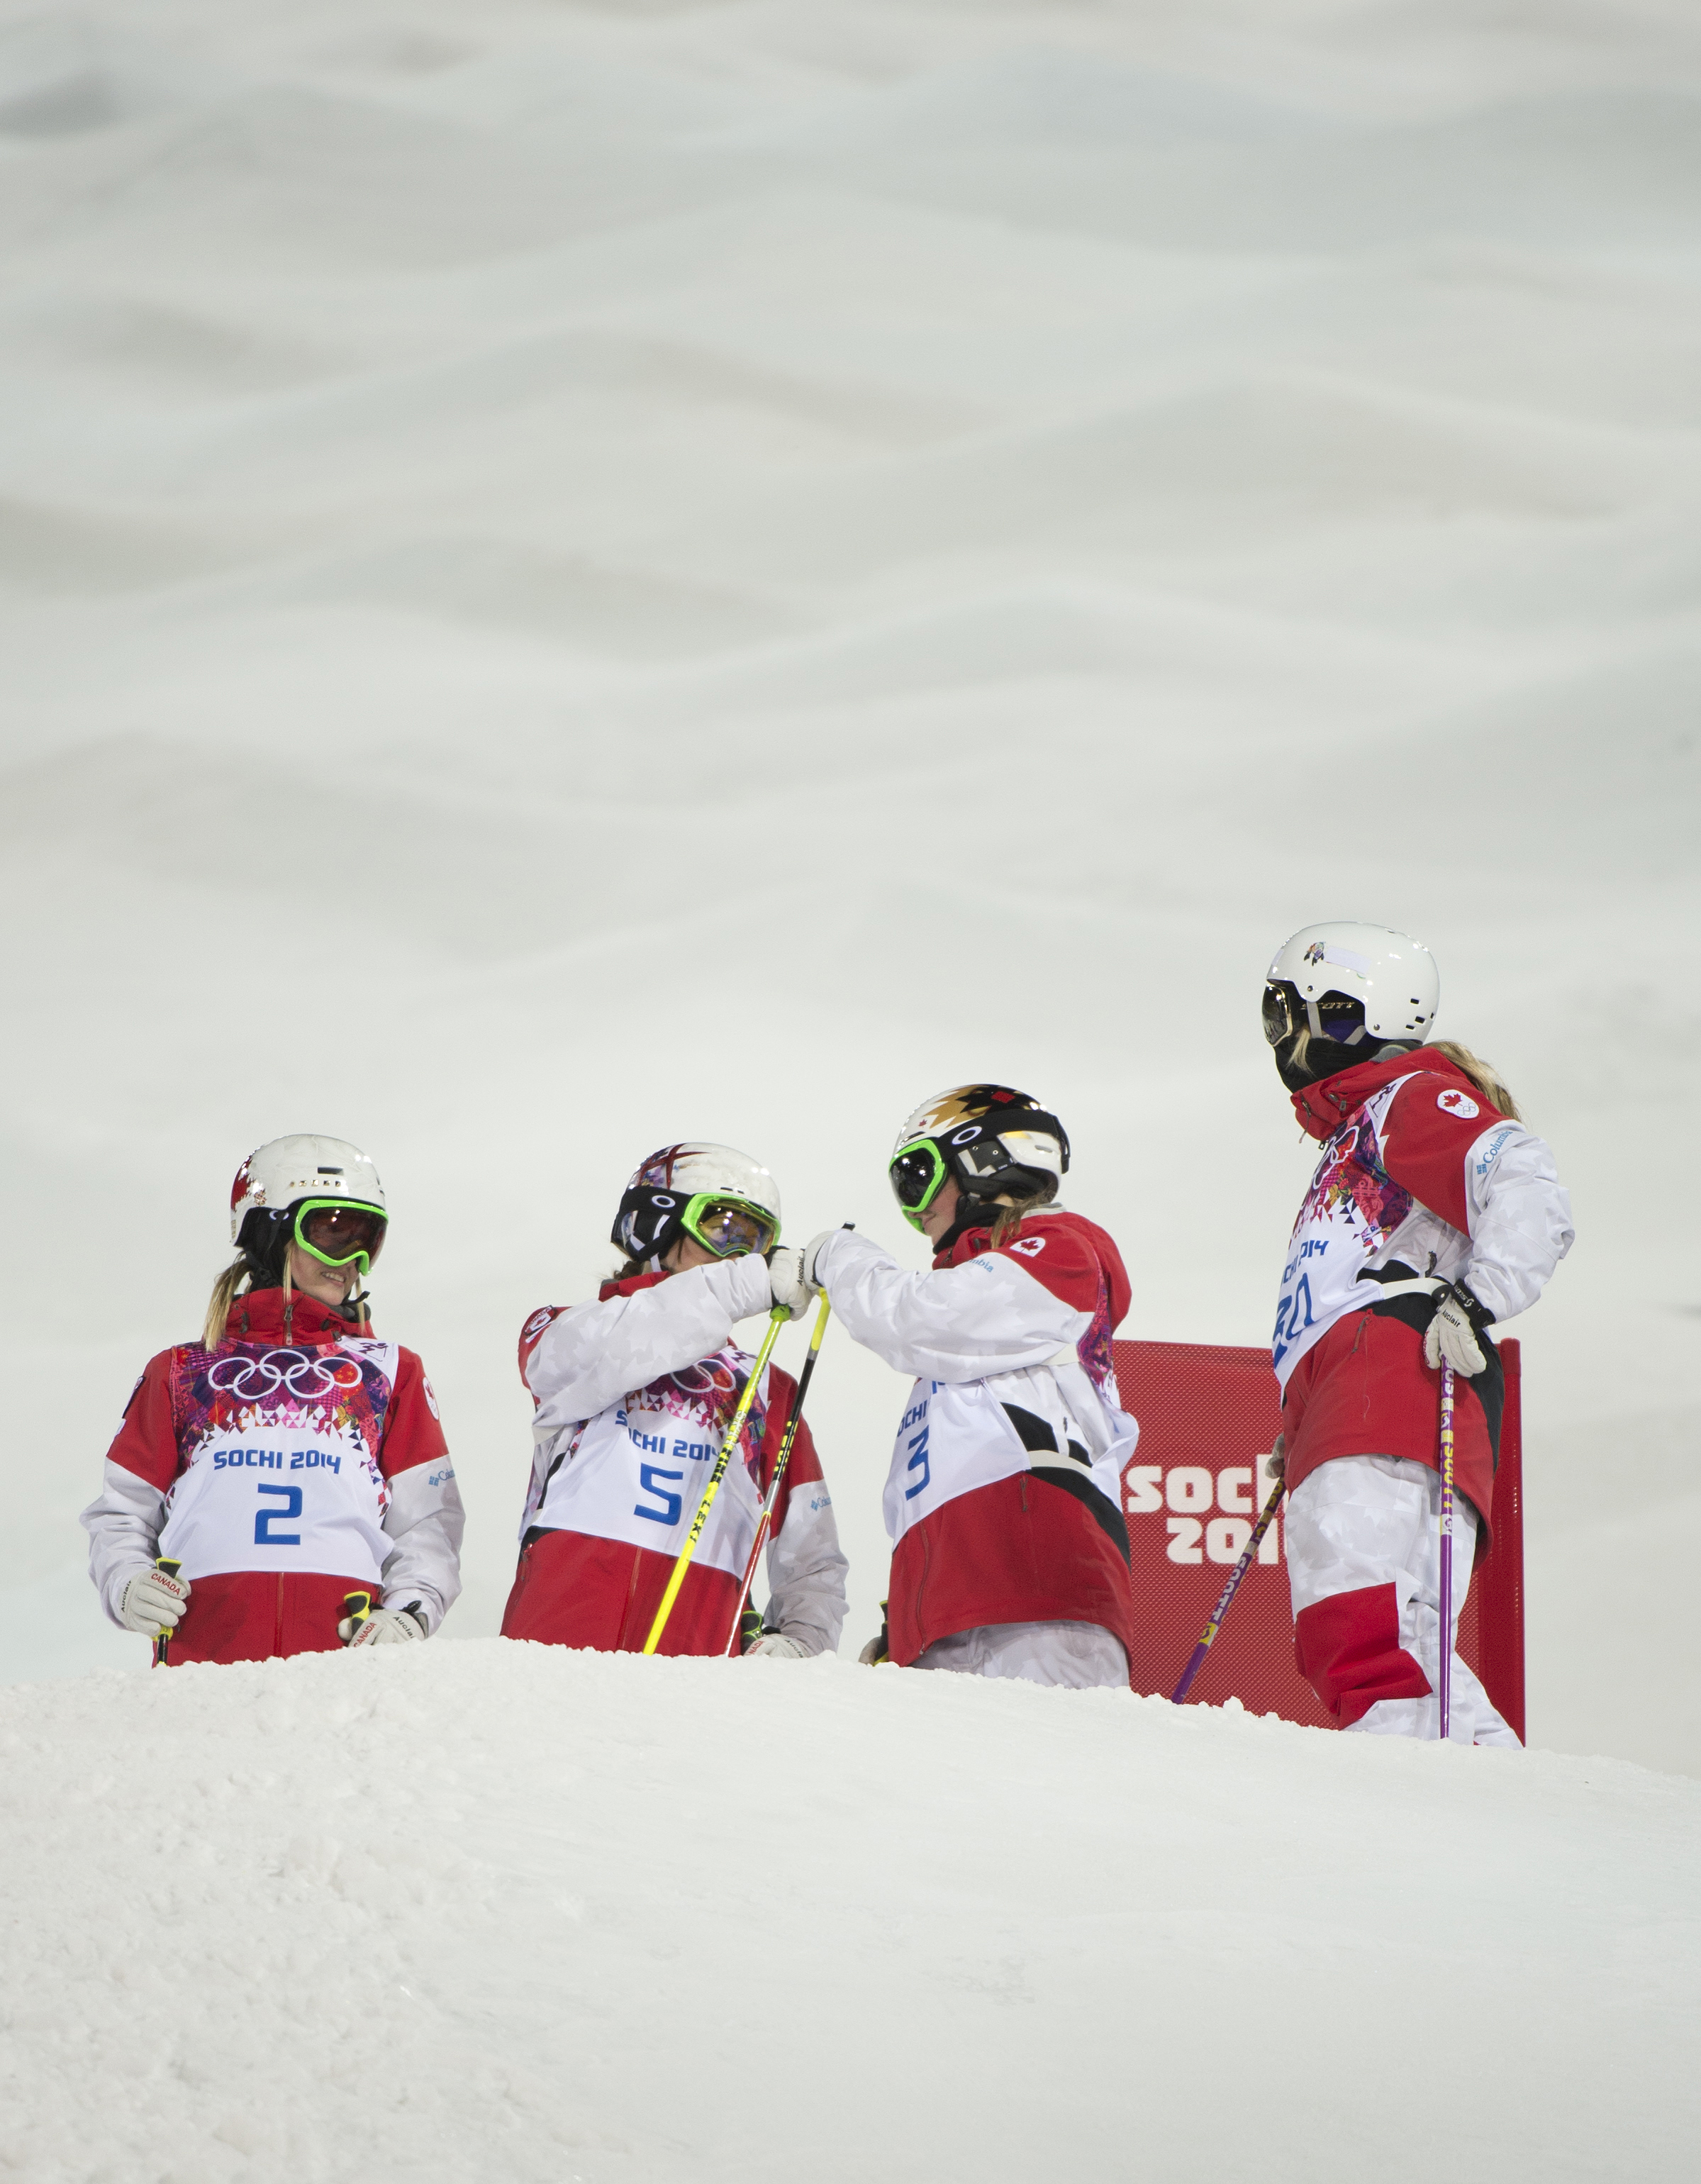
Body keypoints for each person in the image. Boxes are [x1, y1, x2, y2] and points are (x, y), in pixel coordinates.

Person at [1261, 921, 1573, 1742]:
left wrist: (1480, 1296)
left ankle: (1429, 1794)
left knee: (1364, 1626)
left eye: (1305, 1014)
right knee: (1379, 1630)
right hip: (1361, 1385)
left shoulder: (1408, 1097)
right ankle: (1481, 1790)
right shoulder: (1361, 1126)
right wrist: (1303, 1419)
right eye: (1276, 1015)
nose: (1286, 1037)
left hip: (1394, 1375)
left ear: (1363, 1015)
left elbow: (1522, 1178)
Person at [769, 1085, 1138, 1689]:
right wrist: (909, 1616)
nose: (915, 1213)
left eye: (917, 1179)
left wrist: (837, 1254)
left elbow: (915, 1316)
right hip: (960, 1612)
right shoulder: (971, 1349)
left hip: (1036, 1599)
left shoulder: (1060, 1250)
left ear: (982, 1161)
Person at [81, 1134, 464, 1665]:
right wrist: (125, 1581)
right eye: (333, 1233)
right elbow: (123, 1513)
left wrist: (409, 1611)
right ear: (270, 1231)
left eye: (367, 1240)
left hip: (346, 1661)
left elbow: (428, 1523)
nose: (352, 1260)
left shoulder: (390, 1372)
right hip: (205, 1660)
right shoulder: (182, 1371)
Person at [500, 1142, 847, 1658]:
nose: (737, 1256)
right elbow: (620, 1343)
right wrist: (745, 1283)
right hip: (557, 1642)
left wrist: (801, 1642)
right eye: (723, 1228)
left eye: (753, 1243)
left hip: (695, 1662)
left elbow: (811, 1556)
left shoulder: (766, 1389)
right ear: (658, 1224)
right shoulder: (560, 1330)